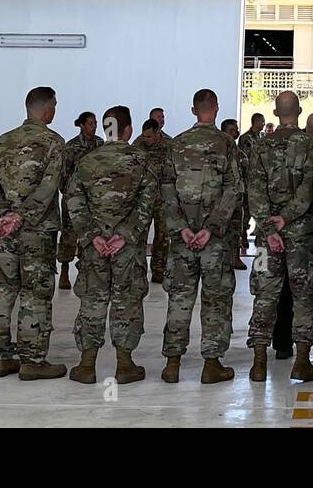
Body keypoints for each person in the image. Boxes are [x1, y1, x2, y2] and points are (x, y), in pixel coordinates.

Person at [66, 105, 156, 386]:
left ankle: (86, 364)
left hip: (95, 247)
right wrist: (125, 234)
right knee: (126, 301)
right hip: (127, 248)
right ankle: (125, 365)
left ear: (106, 131)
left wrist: (92, 234)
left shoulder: (87, 162)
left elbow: (74, 200)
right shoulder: (141, 161)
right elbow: (148, 202)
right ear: (128, 130)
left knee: (92, 299)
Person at [0, 85, 67, 380]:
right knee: (35, 294)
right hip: (37, 232)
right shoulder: (53, 142)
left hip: (4, 230)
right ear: (47, 110)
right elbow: (49, 186)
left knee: (2, 290)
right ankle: (32, 360)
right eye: (54, 105)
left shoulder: (4, 141)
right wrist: (23, 216)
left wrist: (2, 215)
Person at [161, 89, 241, 384]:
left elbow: (167, 188)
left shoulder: (177, 144)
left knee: (180, 298)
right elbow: (234, 189)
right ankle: (211, 364)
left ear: (193, 110)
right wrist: (212, 227)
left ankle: (172, 363)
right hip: (214, 241)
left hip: (183, 239)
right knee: (215, 299)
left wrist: (181, 227)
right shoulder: (226, 144)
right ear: (216, 109)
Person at [245, 90, 313, 384]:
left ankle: (258, 363)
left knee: (265, 295)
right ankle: (302, 362)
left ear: (276, 113)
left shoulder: (261, 146)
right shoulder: (311, 146)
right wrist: (287, 218)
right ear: (300, 111)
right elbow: (309, 190)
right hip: (301, 237)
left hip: (268, 242)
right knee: (304, 296)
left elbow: (254, 190)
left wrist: (269, 227)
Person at [58, 111, 103, 290]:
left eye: (95, 123)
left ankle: (85, 271)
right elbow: (63, 174)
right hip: (73, 199)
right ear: (82, 125)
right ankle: (64, 270)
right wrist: (70, 194)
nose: (94, 126)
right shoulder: (71, 147)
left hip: (92, 200)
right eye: (90, 123)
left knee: (89, 235)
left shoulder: (100, 145)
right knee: (69, 235)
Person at [134, 115, 172, 283]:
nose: (146, 139)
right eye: (144, 136)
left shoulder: (168, 146)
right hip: (143, 198)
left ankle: (158, 269)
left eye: (150, 136)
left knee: (162, 236)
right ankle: (139, 268)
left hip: (162, 198)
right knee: (140, 233)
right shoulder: (137, 145)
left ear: (158, 133)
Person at [234, 113, 266, 269]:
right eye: (261, 121)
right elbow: (245, 159)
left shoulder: (261, 137)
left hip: (258, 181)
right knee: (246, 210)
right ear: (255, 122)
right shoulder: (246, 138)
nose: (263, 124)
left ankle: (262, 263)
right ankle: (243, 235)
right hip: (248, 180)